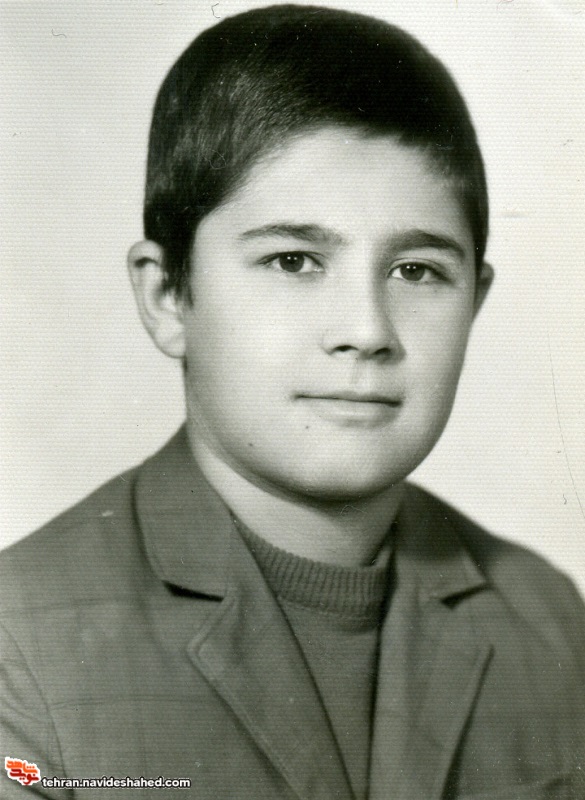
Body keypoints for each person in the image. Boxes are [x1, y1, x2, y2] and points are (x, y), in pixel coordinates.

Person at [1, 5, 584, 799]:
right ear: (168, 296)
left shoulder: (546, 620)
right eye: (293, 261)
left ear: (473, 303)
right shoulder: (22, 647)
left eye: (416, 271)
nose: (365, 331)